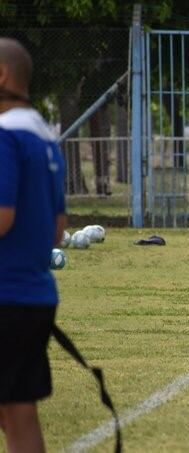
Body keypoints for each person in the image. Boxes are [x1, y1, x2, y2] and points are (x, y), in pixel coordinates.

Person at [0, 38, 67, 452]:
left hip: (6, 296)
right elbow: (57, 229)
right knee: (16, 412)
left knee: (16, 412)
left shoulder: (6, 136)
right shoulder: (44, 136)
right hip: (34, 295)